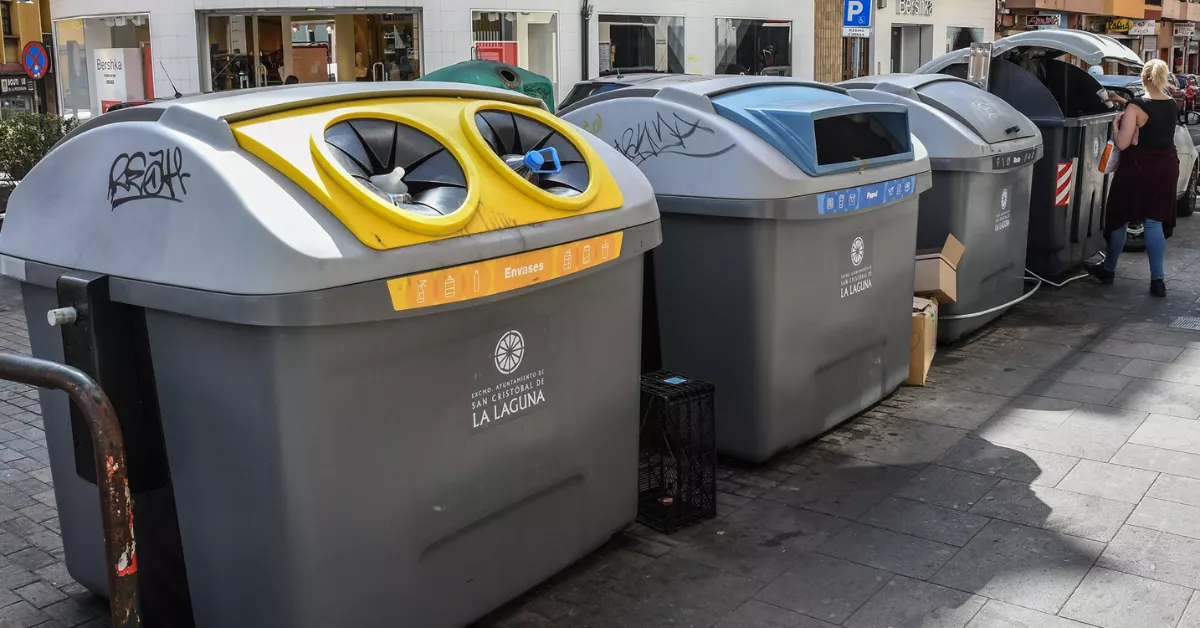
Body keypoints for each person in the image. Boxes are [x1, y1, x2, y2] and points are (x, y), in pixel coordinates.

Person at [1087, 59, 1180, 297]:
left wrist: (1117, 123)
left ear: (1144, 78)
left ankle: (1108, 269)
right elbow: (1152, 113)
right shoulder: (1171, 103)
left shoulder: (1136, 107)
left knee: (1120, 216)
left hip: (1137, 169)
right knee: (1154, 220)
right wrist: (1124, 103)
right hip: (1166, 167)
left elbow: (1122, 143)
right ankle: (1158, 281)